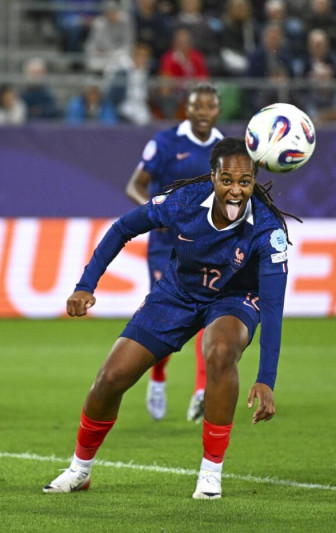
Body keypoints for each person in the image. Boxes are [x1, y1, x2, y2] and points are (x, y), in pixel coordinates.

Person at [44, 137, 296, 499]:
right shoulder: (182, 202)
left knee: (221, 351)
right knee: (111, 377)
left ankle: (211, 474)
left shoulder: (268, 231)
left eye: (245, 182)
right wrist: (85, 285)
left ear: (255, 181)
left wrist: (266, 379)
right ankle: (79, 470)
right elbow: (122, 228)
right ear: (213, 177)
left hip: (234, 299)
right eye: (227, 180)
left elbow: (272, 308)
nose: (236, 191)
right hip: (177, 294)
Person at [125, 83, 223, 423]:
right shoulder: (166, 142)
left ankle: (200, 390)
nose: (202, 112)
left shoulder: (224, 149)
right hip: (165, 245)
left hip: (203, 244)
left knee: (206, 313)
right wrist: (155, 215)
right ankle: (157, 377)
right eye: (197, 106)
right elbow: (134, 186)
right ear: (187, 109)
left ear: (217, 111)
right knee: (166, 317)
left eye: (209, 106)